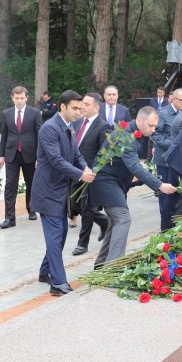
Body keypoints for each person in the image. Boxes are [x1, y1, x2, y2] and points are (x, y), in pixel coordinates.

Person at [89, 107, 177, 268]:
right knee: (123, 218)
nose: (153, 130)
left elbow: (130, 165)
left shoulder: (136, 133)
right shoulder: (124, 136)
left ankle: (102, 264)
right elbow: (135, 166)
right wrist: (159, 185)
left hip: (115, 182)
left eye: (155, 126)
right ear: (139, 120)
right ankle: (114, 267)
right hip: (105, 181)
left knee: (115, 222)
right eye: (150, 126)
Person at [31, 90, 96, 295]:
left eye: (80, 108)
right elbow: (56, 160)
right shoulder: (49, 128)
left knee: (60, 233)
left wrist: (85, 167)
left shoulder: (69, 126)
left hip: (60, 190)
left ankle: (45, 271)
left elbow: (75, 153)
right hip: (47, 191)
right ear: (62, 107)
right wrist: (80, 175)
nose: (78, 112)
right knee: (55, 235)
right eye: (74, 108)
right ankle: (58, 282)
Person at [69, 93, 112, 256]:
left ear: (97, 108)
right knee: (73, 204)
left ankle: (82, 244)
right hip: (76, 172)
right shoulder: (78, 122)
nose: (83, 107)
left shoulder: (103, 126)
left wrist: (94, 172)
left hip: (91, 174)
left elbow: (104, 154)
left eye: (86, 104)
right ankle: (104, 221)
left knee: (87, 208)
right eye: (82, 104)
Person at [0, 86, 41, 228]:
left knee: (31, 183)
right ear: (12, 98)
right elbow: (4, 134)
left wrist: (40, 155)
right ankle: (10, 218)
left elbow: (40, 135)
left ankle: (31, 209)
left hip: (30, 154)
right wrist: (1, 155)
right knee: (10, 185)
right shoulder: (7, 113)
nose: (19, 101)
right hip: (12, 154)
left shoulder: (35, 113)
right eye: (17, 98)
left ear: (26, 98)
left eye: (22, 98)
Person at [153, 88, 182, 231]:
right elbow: (155, 133)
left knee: (177, 196)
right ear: (172, 99)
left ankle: (174, 226)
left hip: (178, 161)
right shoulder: (163, 114)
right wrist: (172, 144)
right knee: (165, 196)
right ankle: (165, 229)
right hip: (165, 161)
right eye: (181, 100)